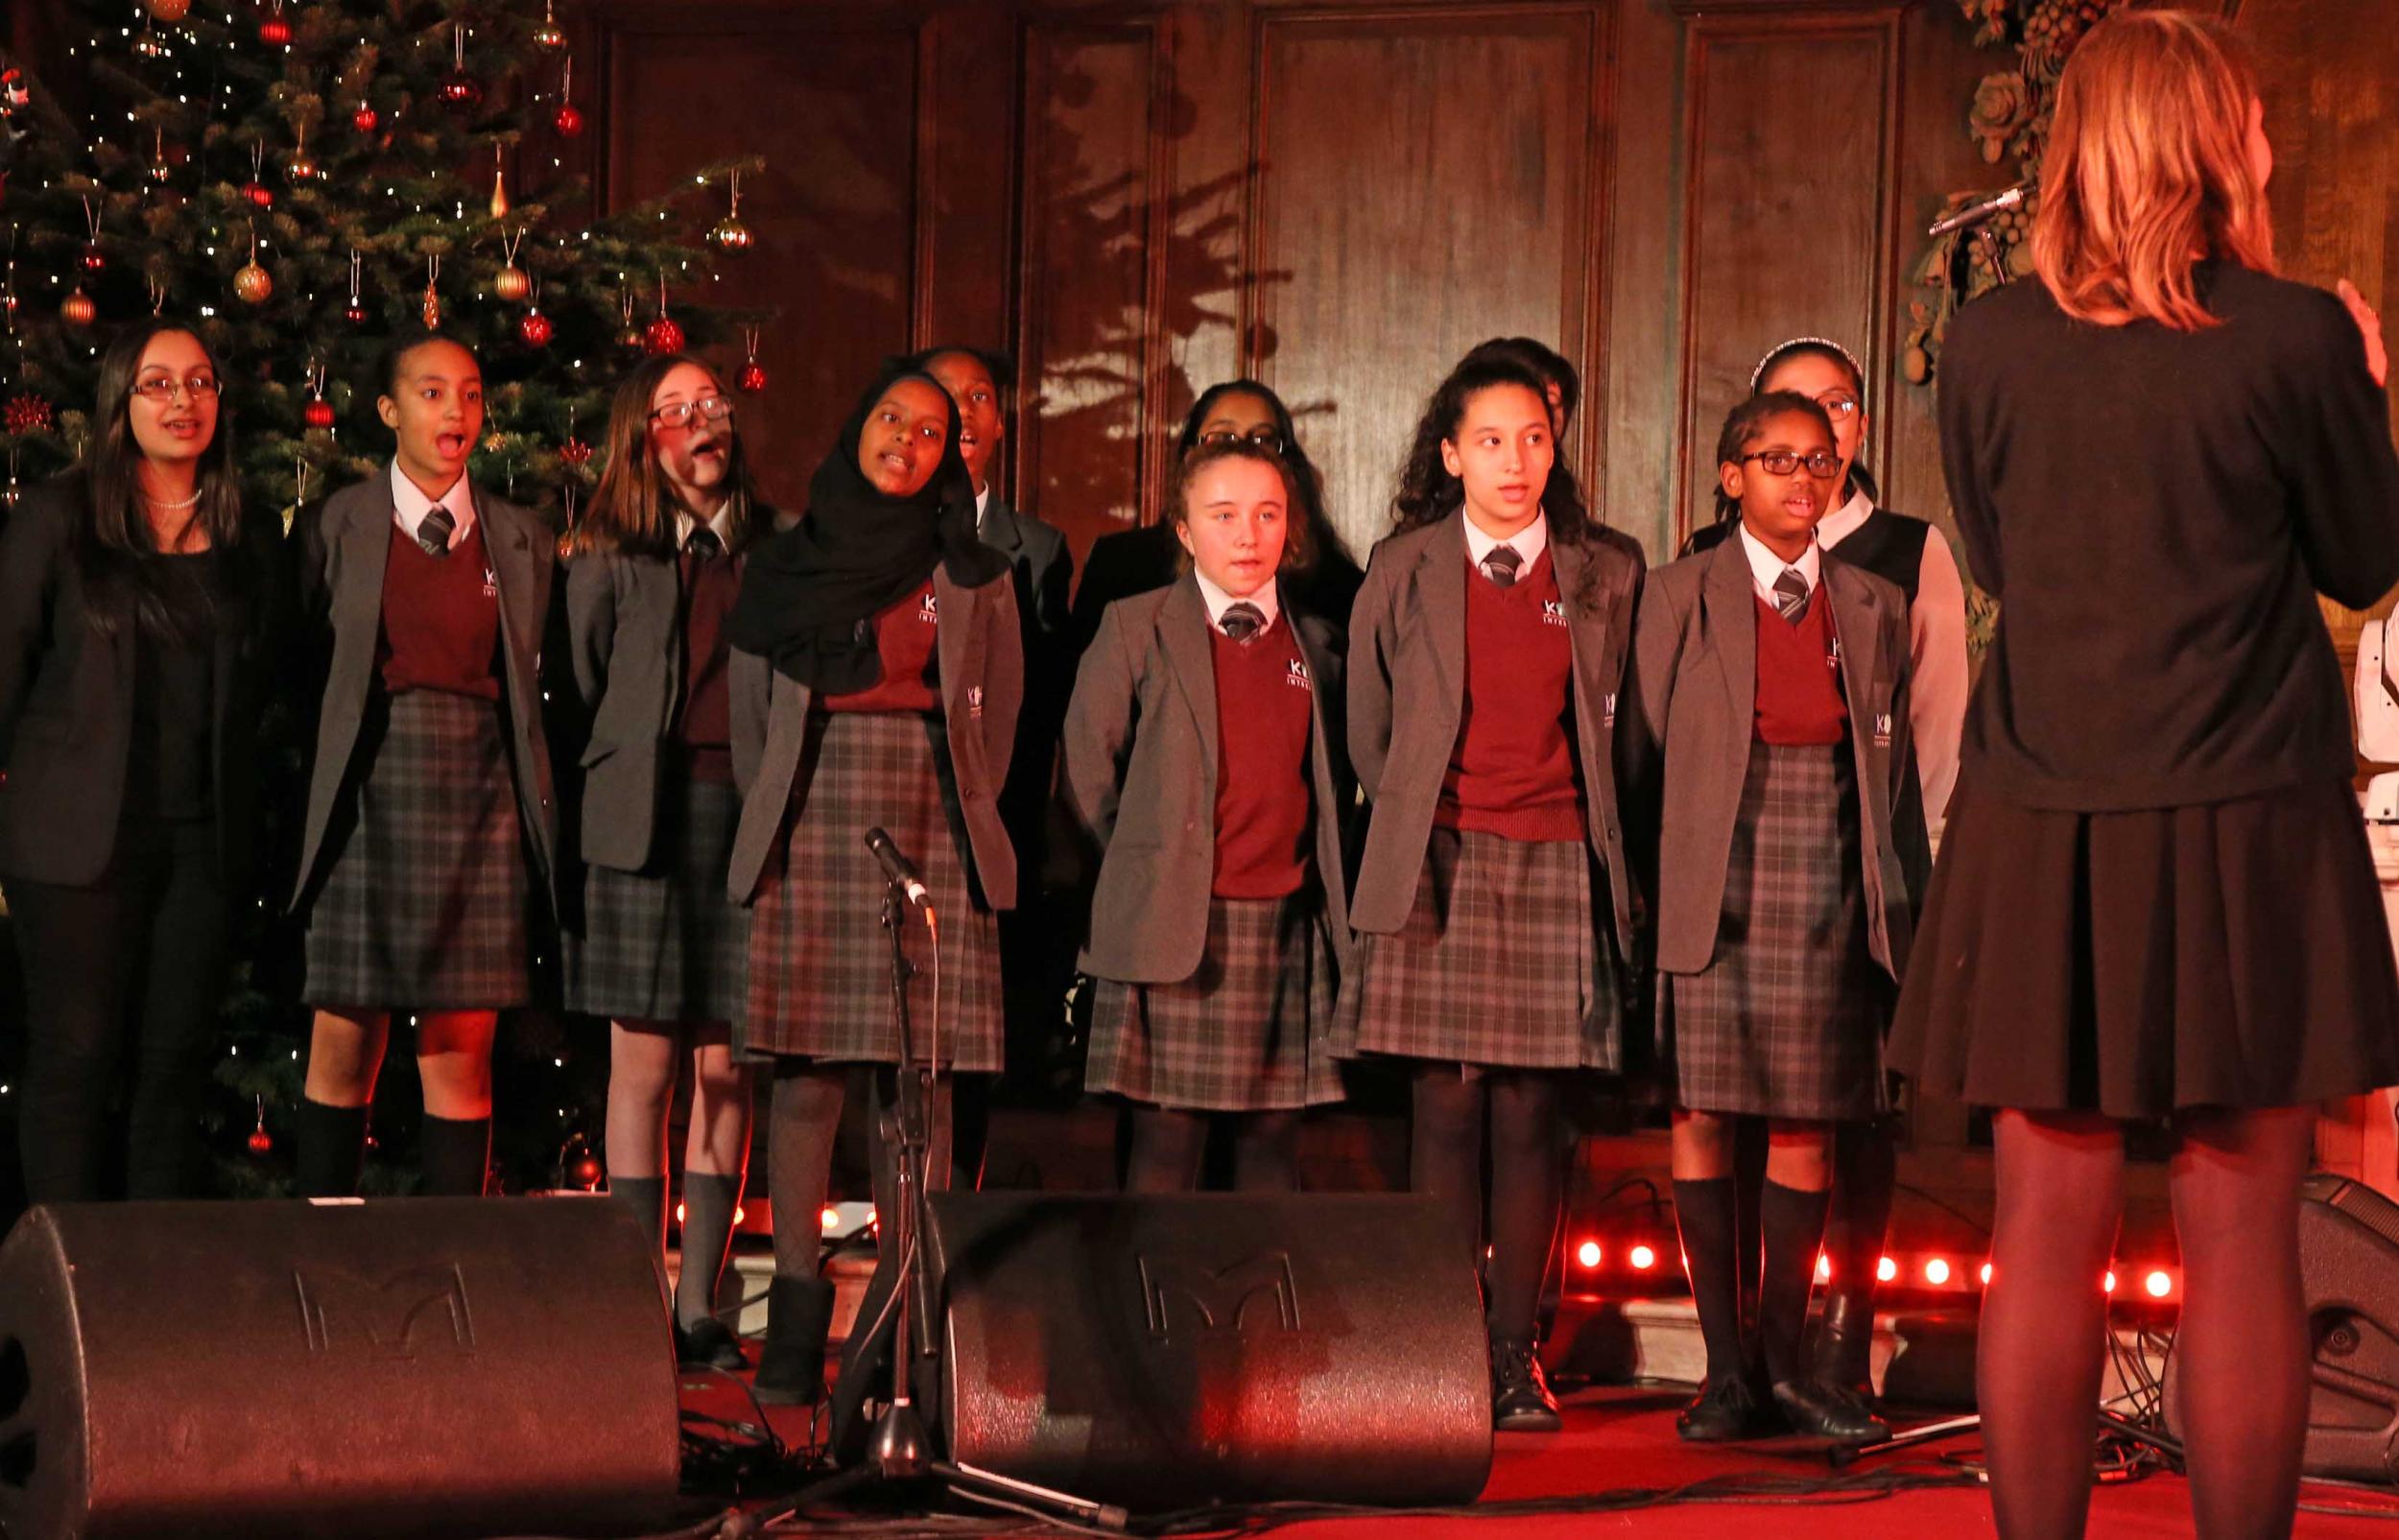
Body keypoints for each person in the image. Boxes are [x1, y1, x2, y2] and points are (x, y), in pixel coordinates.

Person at [1888, 13, 2399, 1536]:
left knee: (2044, 1225)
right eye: (2249, 117)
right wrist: (2366, 383)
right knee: (2241, 1230)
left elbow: (1995, 553)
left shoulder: (1985, 340)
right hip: (2248, 815)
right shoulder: (2299, 333)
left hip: (2047, 814)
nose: (2268, 141)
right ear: (2202, 138)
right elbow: (2370, 562)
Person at [1337, 349, 1643, 1432]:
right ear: (1450, 452)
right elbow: (1368, 728)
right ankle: (1438, 1348)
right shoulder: (1403, 565)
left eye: (1534, 441)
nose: (1515, 463)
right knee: (1443, 1108)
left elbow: (1628, 732)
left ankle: (1515, 1357)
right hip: (1440, 855)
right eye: (1491, 441)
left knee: (1527, 1117)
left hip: (1556, 855)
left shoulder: (1605, 569)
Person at [1620, 391, 1914, 1445]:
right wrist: (1644, 901)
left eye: (1819, 459)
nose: (1801, 476)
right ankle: (1726, 1372)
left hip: (1827, 873)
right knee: (1701, 1116)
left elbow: (1893, 778)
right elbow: (1635, 763)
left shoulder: (1875, 602)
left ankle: (1788, 1367)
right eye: (1775, 458)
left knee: (1806, 1124)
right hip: (1711, 873)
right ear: (1728, 475)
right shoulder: (1675, 594)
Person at [724, 367, 1020, 1408]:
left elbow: (1000, 722)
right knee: (805, 1077)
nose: (907, 439)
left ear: (952, 456)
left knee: (919, 1086)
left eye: (932, 431)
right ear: (857, 427)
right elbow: (754, 718)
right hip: (812, 811)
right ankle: (796, 1321)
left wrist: (963, 801)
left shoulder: (976, 573)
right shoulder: (788, 559)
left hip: (935, 811)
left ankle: (902, 1324)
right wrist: (781, 810)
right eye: (891, 417)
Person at [1686, 333, 1970, 1410]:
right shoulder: (1702, 563)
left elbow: (1936, 728)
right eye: (1791, 414)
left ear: (1854, 432)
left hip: (1867, 858)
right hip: (1733, 867)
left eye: (1838, 410)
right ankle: (1744, 1361)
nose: (1818, 436)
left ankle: (1838, 1339)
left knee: (1849, 1110)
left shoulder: (1904, 554)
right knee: (1729, 1107)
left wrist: (1921, 867)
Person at [0, 320, 283, 1201]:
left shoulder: (251, 530)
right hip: (76, 845)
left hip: (200, 849)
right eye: (157, 384)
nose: (182, 401)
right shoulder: (57, 517)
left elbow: (272, 690)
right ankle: (59, 1305)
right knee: (75, 1063)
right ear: (121, 403)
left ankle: (147, 1315)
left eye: (199, 382)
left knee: (173, 1070)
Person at [289, 332, 558, 1199]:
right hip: (368, 791)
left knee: (458, 1052)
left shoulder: (519, 539)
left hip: (479, 798)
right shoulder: (337, 524)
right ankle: (320, 1267)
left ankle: (455, 1273)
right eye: (434, 393)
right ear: (389, 410)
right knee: (343, 1040)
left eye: (472, 394)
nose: (456, 411)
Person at [1062, 439, 1353, 1192]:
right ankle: (1150, 1309)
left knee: (1271, 1153)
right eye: (1224, 516)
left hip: (1284, 927)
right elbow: (1088, 767)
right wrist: (1151, 863)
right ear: (1185, 531)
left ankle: (1258, 1310)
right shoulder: (1137, 626)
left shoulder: (1318, 643)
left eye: (1267, 515)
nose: (1248, 535)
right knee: (1166, 1148)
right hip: (1176, 926)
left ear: (1292, 529)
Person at [562, 354, 765, 1369]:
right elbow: (588, 676)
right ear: (645, 438)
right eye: (676, 410)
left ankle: (698, 1308)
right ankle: (632, 1300)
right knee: (641, 1066)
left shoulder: (774, 552)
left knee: (725, 1066)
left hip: (747, 819)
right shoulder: (610, 552)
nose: (701, 423)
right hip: (640, 817)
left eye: (711, 405)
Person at [901, 344, 1075, 1182]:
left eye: (981, 397)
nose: (965, 413)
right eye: (946, 395)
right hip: (905, 807)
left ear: (1002, 421)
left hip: (995, 817)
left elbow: (1035, 700)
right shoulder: (879, 531)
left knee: (976, 1045)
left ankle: (957, 1214)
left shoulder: (1035, 546)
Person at [1069, 379, 1363, 650]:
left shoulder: (1335, 586)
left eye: (1262, 440)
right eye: (1223, 438)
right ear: (1189, 455)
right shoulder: (1122, 567)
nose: (1243, 453)